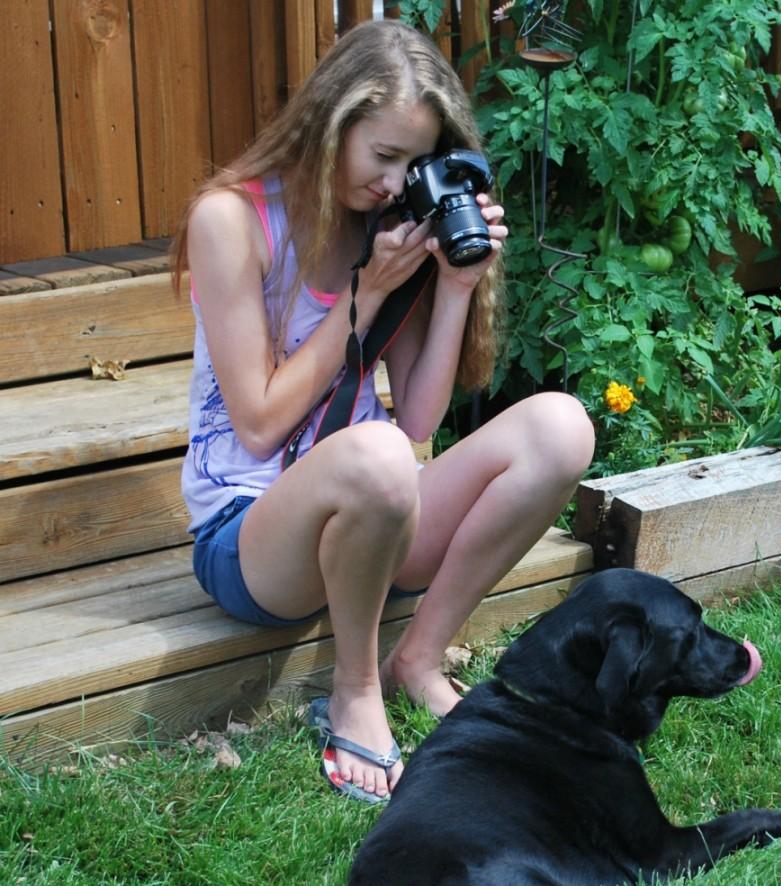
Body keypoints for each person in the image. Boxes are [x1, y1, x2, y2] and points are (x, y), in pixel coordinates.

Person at [173, 19, 595, 805]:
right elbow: (260, 424)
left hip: (375, 508)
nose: (396, 181)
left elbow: (420, 422)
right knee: (376, 456)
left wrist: (455, 289)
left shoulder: (394, 224)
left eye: (415, 162)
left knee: (561, 427)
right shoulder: (230, 220)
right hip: (249, 533)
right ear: (331, 124)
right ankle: (355, 690)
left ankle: (420, 658)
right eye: (383, 156)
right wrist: (362, 300)